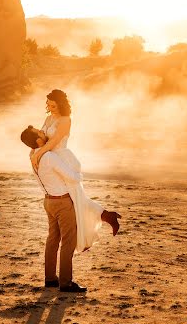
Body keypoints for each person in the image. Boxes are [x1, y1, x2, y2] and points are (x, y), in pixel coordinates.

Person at [21, 123, 121, 293]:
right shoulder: (49, 157)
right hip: (62, 202)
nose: (43, 131)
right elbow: (72, 177)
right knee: (68, 241)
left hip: (48, 201)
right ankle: (66, 283)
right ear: (38, 140)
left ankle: (50, 279)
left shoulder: (33, 155)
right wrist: (79, 173)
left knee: (52, 240)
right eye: (40, 132)